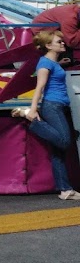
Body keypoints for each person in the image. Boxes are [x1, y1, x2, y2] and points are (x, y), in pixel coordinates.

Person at [16, 31, 80, 200]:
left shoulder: (51, 62)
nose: (63, 43)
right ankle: (29, 119)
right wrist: (32, 109)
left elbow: (52, 75)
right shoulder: (44, 63)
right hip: (53, 106)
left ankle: (65, 190)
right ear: (48, 45)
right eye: (59, 42)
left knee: (58, 151)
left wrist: (60, 64)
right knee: (64, 141)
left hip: (59, 105)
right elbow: (40, 87)